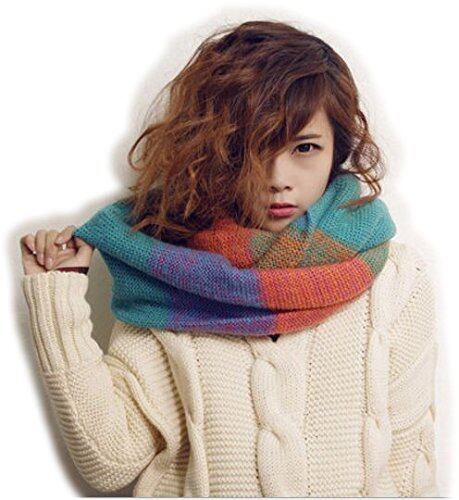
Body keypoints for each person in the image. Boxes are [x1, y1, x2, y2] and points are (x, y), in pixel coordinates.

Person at [19, 20, 439, 497]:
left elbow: (410, 472)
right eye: (251, 149)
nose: (278, 178)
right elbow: (112, 461)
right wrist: (58, 297)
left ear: (337, 149)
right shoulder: (167, 274)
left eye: (305, 147)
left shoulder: (395, 280)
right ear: (214, 150)